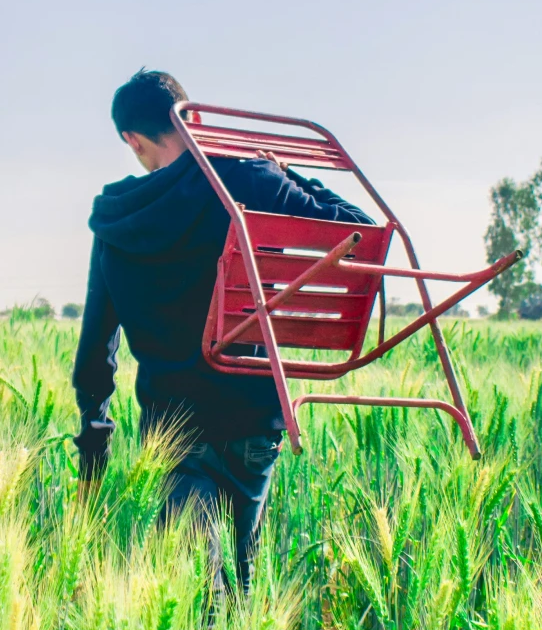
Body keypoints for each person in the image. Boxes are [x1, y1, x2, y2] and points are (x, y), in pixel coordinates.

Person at [72, 68, 372, 589]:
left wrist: (94, 454)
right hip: (252, 420)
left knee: (192, 594)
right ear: (191, 121)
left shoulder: (116, 218)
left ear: (132, 138)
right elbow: (360, 233)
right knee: (240, 582)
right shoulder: (249, 181)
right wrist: (288, 175)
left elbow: (96, 352)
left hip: (172, 427)